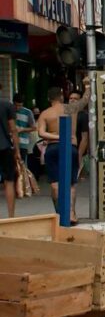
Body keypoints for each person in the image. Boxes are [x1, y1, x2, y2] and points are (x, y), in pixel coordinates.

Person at [38, 80, 89, 224]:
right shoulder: (70, 108)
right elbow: (86, 99)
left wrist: (56, 136)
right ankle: (72, 213)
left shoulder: (45, 113)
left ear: (49, 99)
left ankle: (60, 214)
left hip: (53, 148)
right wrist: (87, 86)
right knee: (71, 184)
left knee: (55, 183)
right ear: (61, 96)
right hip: (70, 147)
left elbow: (41, 133)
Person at [0, 86, 20, 218]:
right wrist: (17, 151)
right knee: (9, 181)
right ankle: (11, 216)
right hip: (5, 147)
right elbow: (13, 129)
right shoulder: (7, 105)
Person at [70, 92, 90, 179]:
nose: (72, 100)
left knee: (74, 177)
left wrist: (80, 154)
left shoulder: (83, 116)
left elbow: (84, 138)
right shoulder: (66, 113)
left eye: (75, 98)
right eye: (71, 98)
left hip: (77, 148)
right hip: (67, 147)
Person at [13, 94, 35, 168]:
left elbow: (34, 128)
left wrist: (22, 129)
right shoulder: (9, 110)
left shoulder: (28, 112)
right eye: (16, 105)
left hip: (23, 143)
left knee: (21, 166)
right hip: (10, 143)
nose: (17, 108)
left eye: (20, 105)